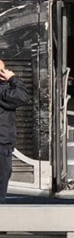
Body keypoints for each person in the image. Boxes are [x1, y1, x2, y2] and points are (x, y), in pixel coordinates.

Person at [0, 60, 31, 204]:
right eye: (2, 70)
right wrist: (13, 78)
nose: (4, 73)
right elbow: (22, 96)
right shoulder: (3, 91)